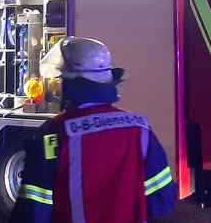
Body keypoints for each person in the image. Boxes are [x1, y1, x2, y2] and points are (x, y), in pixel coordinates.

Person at [10, 37, 176, 223]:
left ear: (71, 84)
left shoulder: (53, 134)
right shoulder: (140, 130)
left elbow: (33, 213)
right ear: (109, 82)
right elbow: (161, 202)